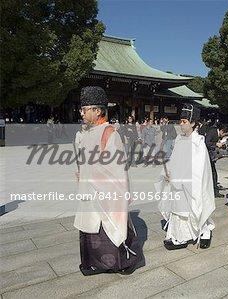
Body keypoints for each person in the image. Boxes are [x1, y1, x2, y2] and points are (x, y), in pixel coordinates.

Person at [74, 86, 143, 275]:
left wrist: (94, 178)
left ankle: (125, 262)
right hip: (90, 190)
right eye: (82, 109)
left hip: (105, 192)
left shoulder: (110, 133)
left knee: (108, 227)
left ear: (97, 111)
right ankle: (94, 263)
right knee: (91, 228)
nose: (81, 112)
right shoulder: (87, 133)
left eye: (85, 109)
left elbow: (116, 168)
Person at [158, 104, 215, 250]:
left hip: (188, 183)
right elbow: (175, 159)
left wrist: (180, 178)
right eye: (180, 121)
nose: (181, 125)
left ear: (193, 123)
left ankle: (202, 231)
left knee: (194, 207)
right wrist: (168, 172)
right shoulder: (179, 139)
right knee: (178, 208)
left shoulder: (198, 142)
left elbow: (197, 168)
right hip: (178, 182)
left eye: (184, 122)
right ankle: (180, 235)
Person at [204, 124, 228, 198]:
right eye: (224, 134)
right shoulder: (212, 132)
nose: (224, 136)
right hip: (206, 156)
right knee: (212, 174)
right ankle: (213, 192)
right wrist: (216, 143)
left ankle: (214, 191)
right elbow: (206, 142)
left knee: (213, 174)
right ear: (222, 131)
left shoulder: (216, 134)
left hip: (211, 156)